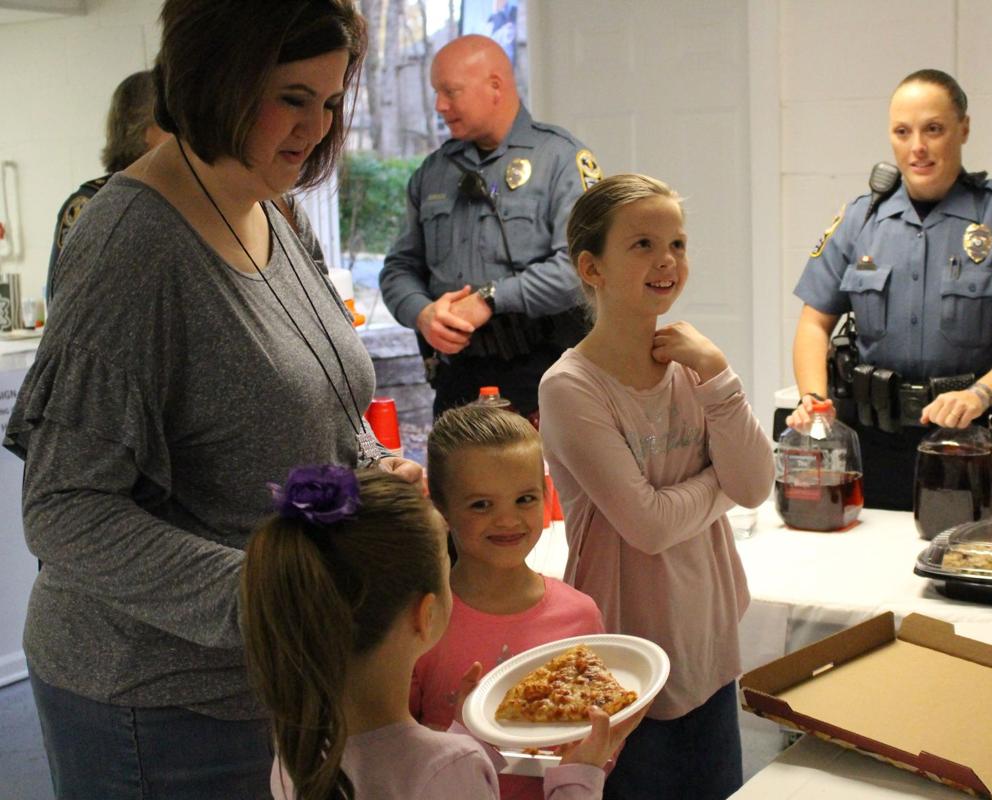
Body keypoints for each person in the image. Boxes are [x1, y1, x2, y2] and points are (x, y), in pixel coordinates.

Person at [2, 3, 421, 797]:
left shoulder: (269, 203)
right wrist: (271, 597)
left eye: (330, 102)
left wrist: (367, 469)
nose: (316, 128)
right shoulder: (133, 243)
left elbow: (308, 401)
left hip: (269, 675)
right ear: (216, 81)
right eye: (292, 98)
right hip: (155, 701)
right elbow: (64, 509)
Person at [538, 174, 775, 800]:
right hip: (626, 652)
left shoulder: (694, 363)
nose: (667, 260)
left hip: (707, 638)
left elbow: (755, 486)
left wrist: (720, 375)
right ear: (592, 267)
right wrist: (717, 485)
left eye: (677, 243)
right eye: (642, 244)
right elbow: (649, 526)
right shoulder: (570, 388)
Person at [242, 464, 645, 800]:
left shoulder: (297, 750)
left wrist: (465, 731)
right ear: (426, 614)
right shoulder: (450, 767)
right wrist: (579, 776)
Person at [789, 68, 992, 515]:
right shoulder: (860, 220)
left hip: (981, 440)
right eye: (903, 132)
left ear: (963, 129)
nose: (917, 147)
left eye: (933, 129)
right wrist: (813, 399)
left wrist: (980, 394)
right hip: (878, 442)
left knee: (981, 571)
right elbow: (813, 322)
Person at [379, 34, 603, 420]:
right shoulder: (433, 172)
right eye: (437, 92)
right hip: (457, 381)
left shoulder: (561, 160)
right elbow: (398, 269)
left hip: (544, 378)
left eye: (451, 91)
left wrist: (489, 298)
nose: (439, 106)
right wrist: (422, 314)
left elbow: (579, 271)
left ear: (495, 86)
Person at [417, 404, 607, 800]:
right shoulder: (419, 623)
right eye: (481, 505)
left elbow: (599, 737)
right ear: (441, 509)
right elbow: (398, 749)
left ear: (545, 495)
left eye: (524, 499)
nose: (508, 520)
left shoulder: (580, 615)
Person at [47, 69, 170, 301]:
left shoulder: (174, 198)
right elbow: (64, 304)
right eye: (169, 124)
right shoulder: (90, 202)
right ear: (144, 130)